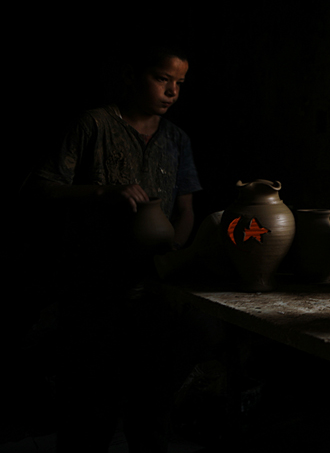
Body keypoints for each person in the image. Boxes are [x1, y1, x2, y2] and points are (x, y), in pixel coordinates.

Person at [31, 42, 202, 452]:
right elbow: (40, 188)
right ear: (131, 76)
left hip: (153, 290)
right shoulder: (93, 125)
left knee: (151, 409)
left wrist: (174, 250)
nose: (172, 92)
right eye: (162, 79)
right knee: (89, 411)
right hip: (93, 287)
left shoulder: (177, 140)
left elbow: (186, 210)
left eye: (180, 83)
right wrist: (103, 192)